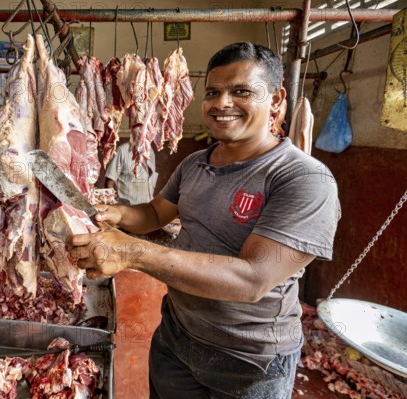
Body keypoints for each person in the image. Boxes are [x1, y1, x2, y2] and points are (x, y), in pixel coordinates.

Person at [68, 42, 340, 399]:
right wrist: (116, 214)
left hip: (248, 361)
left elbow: (252, 279)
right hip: (176, 335)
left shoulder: (303, 179)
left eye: (240, 91)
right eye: (213, 92)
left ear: (276, 101)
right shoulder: (195, 163)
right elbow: (154, 213)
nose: (221, 103)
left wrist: (132, 253)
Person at [104, 141, 158, 205]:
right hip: (126, 210)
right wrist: (114, 206)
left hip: (147, 210)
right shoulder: (122, 151)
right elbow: (109, 182)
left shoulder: (151, 152)